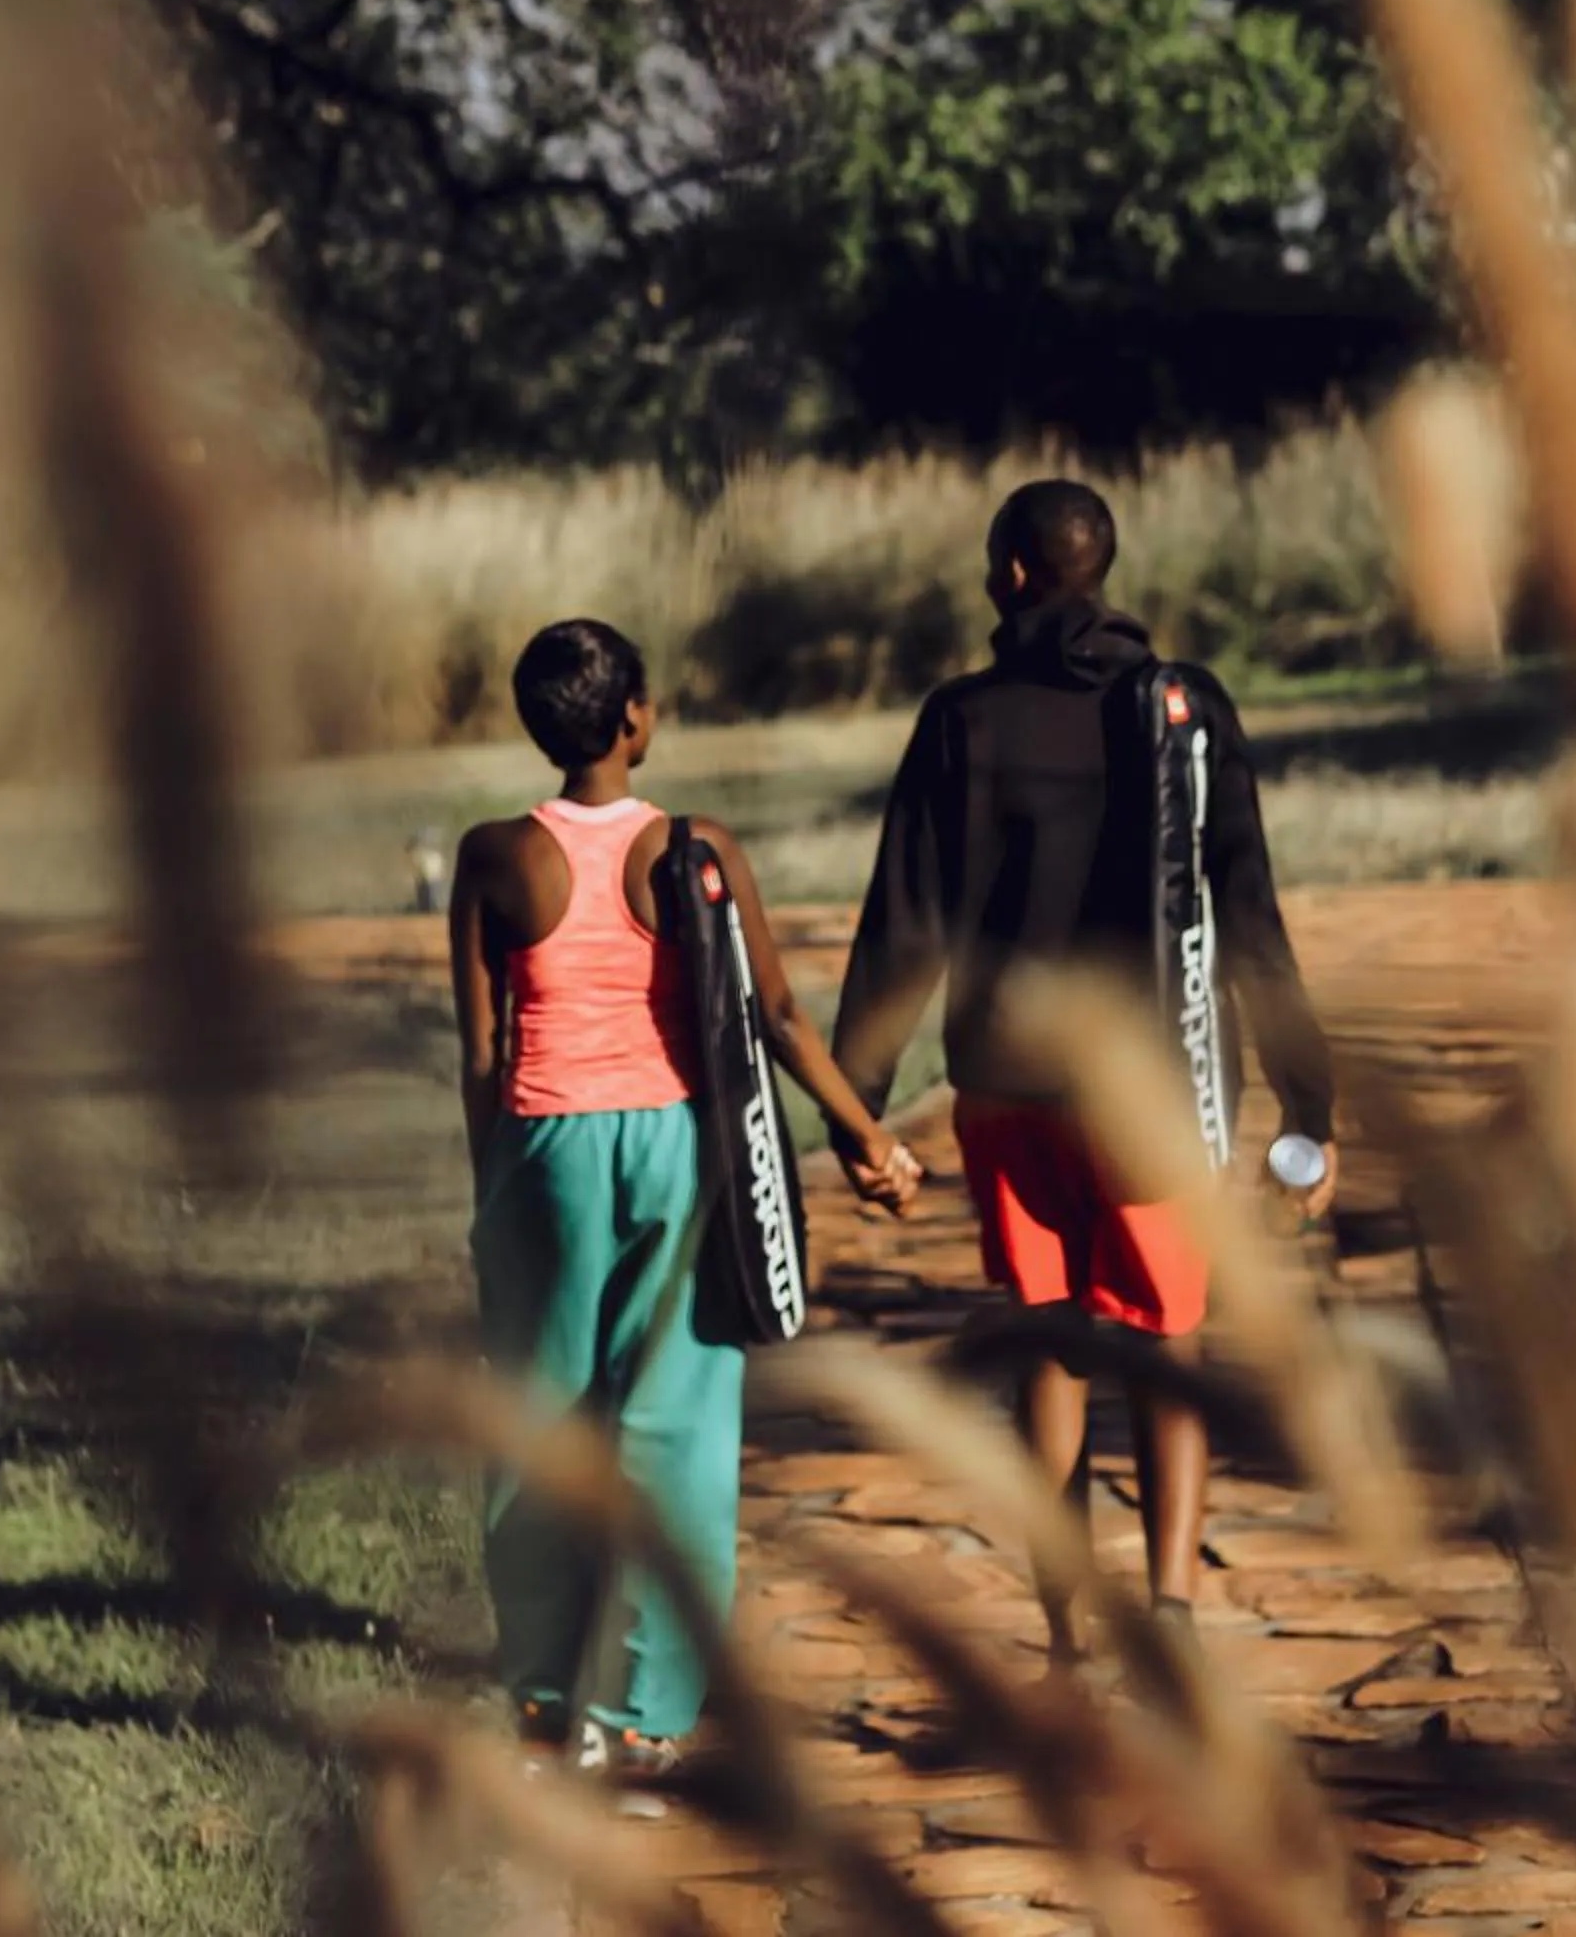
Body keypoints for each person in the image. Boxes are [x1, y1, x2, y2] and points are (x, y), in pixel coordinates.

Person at [828, 480, 1336, 1655]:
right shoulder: (1182, 710)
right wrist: (1310, 1104)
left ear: (1010, 574)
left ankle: (1066, 1636)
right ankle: (1168, 1612)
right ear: (1098, 570)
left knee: (1049, 1338)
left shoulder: (961, 720)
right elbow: (1246, 912)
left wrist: (862, 1109)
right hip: (1155, 1089)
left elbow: (906, 922)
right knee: (1166, 1342)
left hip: (1006, 1092)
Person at [450, 616, 920, 1796]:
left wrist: (491, 1201)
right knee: (677, 1436)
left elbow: (482, 1050)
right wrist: (865, 1136)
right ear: (637, 719)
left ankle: (544, 1700)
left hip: (542, 1153)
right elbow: (776, 1018)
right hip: (675, 1149)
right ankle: (644, 1713)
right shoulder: (695, 848)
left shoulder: (493, 854)